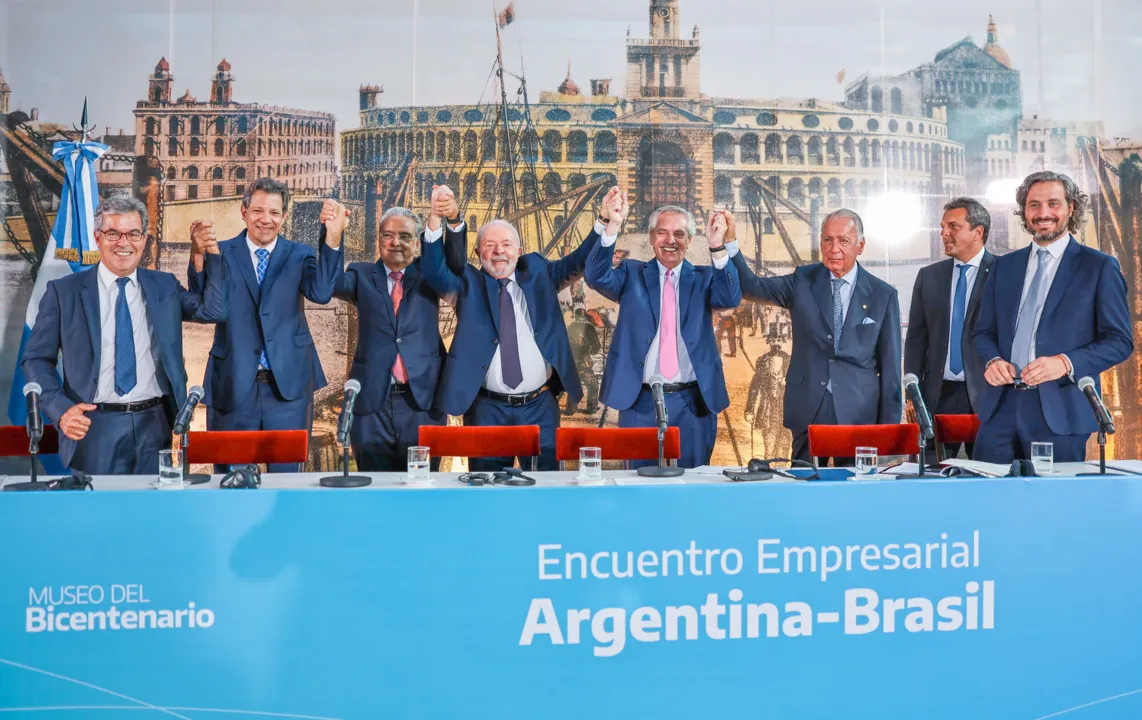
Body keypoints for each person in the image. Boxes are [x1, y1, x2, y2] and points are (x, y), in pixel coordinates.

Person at [22, 195, 227, 475]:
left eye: (133, 233)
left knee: (154, 515)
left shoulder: (164, 285)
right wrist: (61, 409)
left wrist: (207, 255)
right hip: (94, 426)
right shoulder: (64, 292)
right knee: (100, 515)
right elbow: (35, 359)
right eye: (113, 233)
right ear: (97, 237)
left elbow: (213, 310)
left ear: (144, 239)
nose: (123, 242)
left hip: (158, 425)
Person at [419, 189, 610, 471]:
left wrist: (604, 220)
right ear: (477, 252)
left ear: (519, 252)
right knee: (488, 496)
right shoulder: (467, 285)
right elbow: (435, 271)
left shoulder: (540, 273)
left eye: (507, 245)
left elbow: (579, 260)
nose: (499, 252)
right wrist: (438, 219)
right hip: (486, 411)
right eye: (490, 245)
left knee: (545, 494)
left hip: (540, 408)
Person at [972, 171, 1133, 464]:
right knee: (988, 503)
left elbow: (1120, 342)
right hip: (1000, 409)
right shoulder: (1004, 266)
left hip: (1061, 410)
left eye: (1053, 204)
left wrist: (1064, 363)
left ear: (1071, 208)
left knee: (1053, 506)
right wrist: (993, 360)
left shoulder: (1099, 267)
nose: (1043, 213)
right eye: (1034, 205)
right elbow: (982, 332)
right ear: (1024, 210)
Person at [188, 177, 344, 473]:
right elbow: (202, 303)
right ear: (243, 210)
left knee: (287, 485)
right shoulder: (218, 252)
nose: (266, 220)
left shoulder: (301, 254)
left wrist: (333, 238)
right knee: (230, 482)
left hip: (289, 387)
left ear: (284, 217)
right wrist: (198, 253)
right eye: (258, 211)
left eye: (274, 213)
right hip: (232, 385)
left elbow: (322, 293)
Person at [726, 209, 902, 465]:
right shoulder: (802, 281)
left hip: (858, 412)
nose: (834, 248)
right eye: (827, 240)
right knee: (802, 486)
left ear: (860, 245)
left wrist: (888, 431)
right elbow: (752, 286)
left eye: (843, 241)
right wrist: (731, 245)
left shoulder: (882, 295)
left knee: (853, 492)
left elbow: (891, 367)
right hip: (808, 406)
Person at [584, 198, 742, 468]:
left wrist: (717, 246)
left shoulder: (704, 278)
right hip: (639, 399)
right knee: (637, 485)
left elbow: (730, 297)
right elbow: (596, 277)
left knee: (694, 487)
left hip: (694, 401)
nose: (671, 241)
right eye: (663, 232)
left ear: (690, 240)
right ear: (651, 237)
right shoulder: (630, 274)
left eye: (679, 234)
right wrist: (612, 226)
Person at [333, 188, 466, 471]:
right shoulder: (360, 274)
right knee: (374, 489)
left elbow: (456, 267)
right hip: (371, 405)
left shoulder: (429, 275)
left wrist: (451, 220)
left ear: (417, 243)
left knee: (421, 490)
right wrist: (333, 235)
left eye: (404, 236)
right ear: (379, 239)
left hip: (422, 403)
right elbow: (327, 284)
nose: (395, 242)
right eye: (388, 235)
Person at [904, 198, 996, 458]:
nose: (944, 233)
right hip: (937, 395)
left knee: (990, 475)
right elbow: (916, 340)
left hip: (989, 394)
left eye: (953, 226)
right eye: (942, 227)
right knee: (929, 477)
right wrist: (912, 392)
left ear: (977, 232)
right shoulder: (929, 276)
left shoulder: (1003, 273)